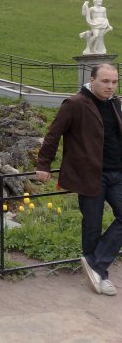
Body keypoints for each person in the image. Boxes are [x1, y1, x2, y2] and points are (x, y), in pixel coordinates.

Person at [36, 63, 122, 297]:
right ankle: (100, 275)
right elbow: (53, 134)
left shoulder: (115, 103)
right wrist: (43, 165)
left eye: (114, 82)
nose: (110, 86)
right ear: (92, 80)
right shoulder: (75, 104)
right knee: (92, 225)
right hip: (90, 174)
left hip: (117, 173)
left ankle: (95, 264)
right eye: (105, 81)